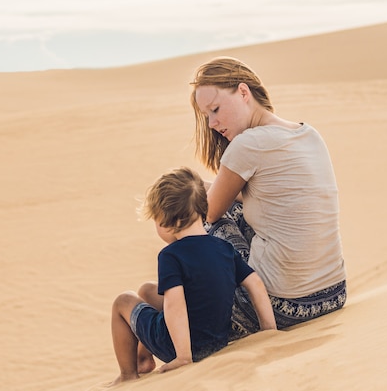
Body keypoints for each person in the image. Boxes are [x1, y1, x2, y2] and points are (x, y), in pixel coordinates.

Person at [189, 56, 347, 336]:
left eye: (215, 109)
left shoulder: (247, 144)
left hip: (282, 305)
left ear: (243, 92)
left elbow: (211, 213)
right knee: (231, 208)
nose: (212, 123)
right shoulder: (308, 133)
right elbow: (272, 199)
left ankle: (192, 300)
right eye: (206, 116)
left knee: (204, 216)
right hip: (333, 295)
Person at [110, 167, 277, 386]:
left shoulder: (170, 255)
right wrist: (269, 330)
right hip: (216, 341)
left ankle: (128, 374)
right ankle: (143, 359)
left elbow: (175, 306)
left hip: (177, 345)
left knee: (123, 301)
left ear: (166, 220)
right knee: (147, 291)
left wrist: (183, 356)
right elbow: (254, 283)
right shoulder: (224, 248)